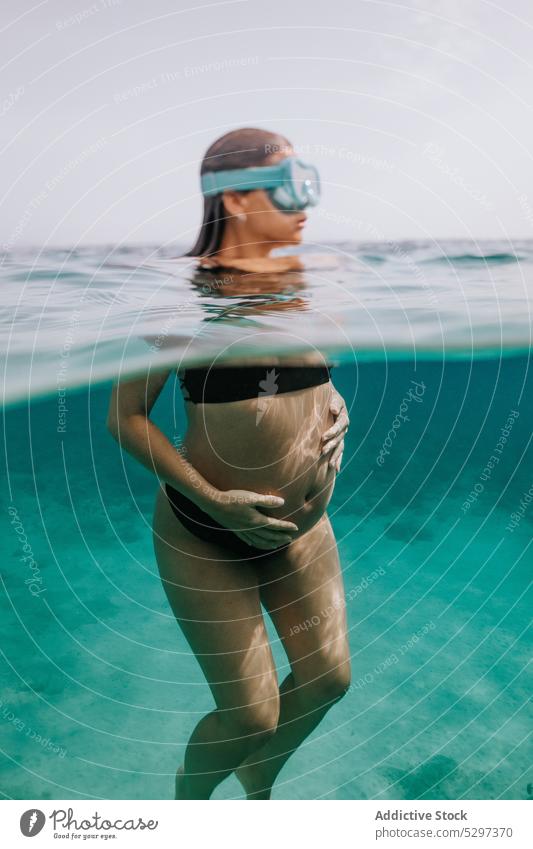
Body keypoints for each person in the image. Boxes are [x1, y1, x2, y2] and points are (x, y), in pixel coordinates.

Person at [107, 127, 351, 799]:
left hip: (301, 529)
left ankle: (257, 781)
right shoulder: (183, 295)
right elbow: (124, 416)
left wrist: (339, 409)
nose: (307, 203)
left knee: (328, 677)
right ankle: (189, 808)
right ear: (237, 200)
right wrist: (215, 500)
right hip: (203, 529)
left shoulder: (318, 277)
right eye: (289, 185)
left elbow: (308, 379)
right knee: (251, 712)